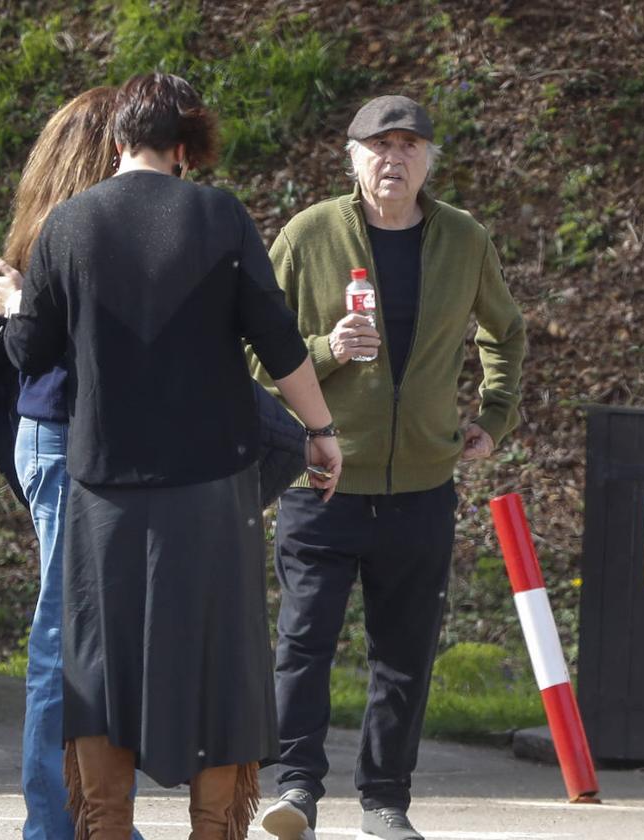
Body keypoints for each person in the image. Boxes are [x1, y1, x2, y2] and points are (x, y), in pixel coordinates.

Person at [3, 72, 342, 840]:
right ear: (185, 150)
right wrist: (320, 430)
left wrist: (17, 303)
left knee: (98, 664)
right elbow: (277, 339)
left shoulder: (67, 224)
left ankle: (106, 828)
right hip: (212, 484)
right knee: (221, 660)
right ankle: (213, 828)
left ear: (118, 139)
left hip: (102, 485)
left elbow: (32, 354)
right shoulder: (219, 216)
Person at [251, 95, 526, 840]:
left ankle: (385, 802)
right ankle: (297, 790)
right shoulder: (310, 235)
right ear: (352, 157)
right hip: (324, 482)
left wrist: (494, 418)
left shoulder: (463, 239)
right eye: (379, 147)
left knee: (404, 655)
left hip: (422, 491)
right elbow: (251, 349)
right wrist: (330, 347)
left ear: (430, 159)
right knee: (303, 644)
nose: (393, 160)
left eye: (408, 146)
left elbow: (506, 331)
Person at [0, 86, 145, 840]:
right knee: (64, 640)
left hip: (70, 441)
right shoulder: (75, 230)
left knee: (89, 640)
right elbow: (84, 345)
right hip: (67, 442)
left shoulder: (66, 226)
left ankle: (90, 818)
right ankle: (57, 822)